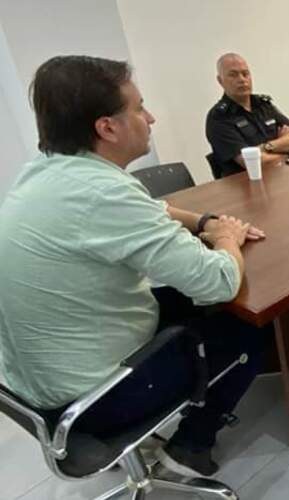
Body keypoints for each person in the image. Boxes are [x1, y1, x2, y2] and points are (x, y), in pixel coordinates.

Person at [0, 55, 267, 477]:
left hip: (32, 389)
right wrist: (227, 238)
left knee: (188, 301)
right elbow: (218, 281)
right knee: (247, 326)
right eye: (139, 107)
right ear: (107, 128)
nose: (151, 117)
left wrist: (204, 221)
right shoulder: (103, 192)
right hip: (89, 401)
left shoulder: (45, 172)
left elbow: (146, 206)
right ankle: (191, 447)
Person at [206, 52, 289, 177]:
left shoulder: (263, 105)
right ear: (220, 81)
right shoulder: (219, 118)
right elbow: (257, 164)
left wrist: (267, 147)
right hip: (244, 188)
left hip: (280, 177)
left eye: (245, 74)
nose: (242, 79)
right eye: (233, 75)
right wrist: (285, 151)